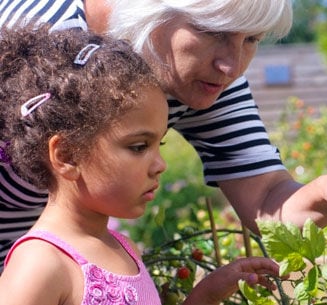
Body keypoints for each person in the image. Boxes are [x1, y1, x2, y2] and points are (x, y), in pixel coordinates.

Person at [0, 0, 327, 265]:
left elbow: (264, 201)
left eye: (252, 40)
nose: (233, 65)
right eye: (215, 32)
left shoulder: (206, 79)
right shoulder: (37, 41)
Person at [0, 24, 283, 305]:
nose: (159, 165)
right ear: (67, 155)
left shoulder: (122, 248)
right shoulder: (41, 264)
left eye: (158, 145)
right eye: (138, 147)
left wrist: (208, 293)